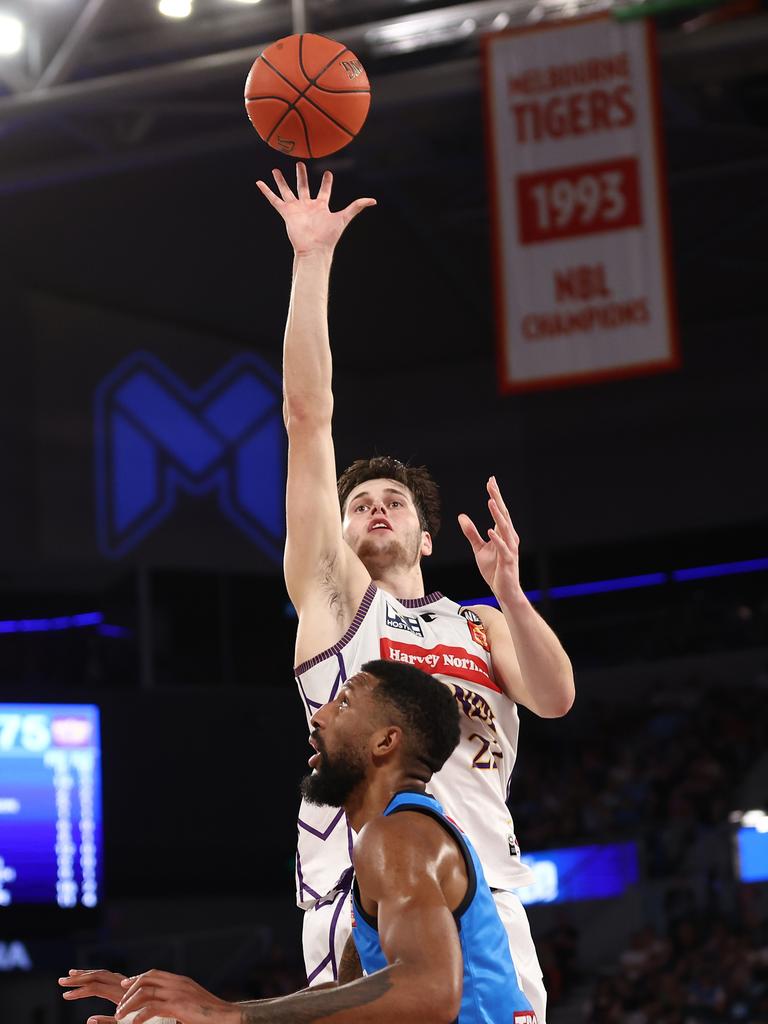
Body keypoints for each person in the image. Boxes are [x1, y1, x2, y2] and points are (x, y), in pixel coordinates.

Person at [255, 163, 575, 1022]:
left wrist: (512, 593)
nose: (374, 507)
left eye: (394, 500)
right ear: (342, 536)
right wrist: (312, 259)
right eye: (358, 503)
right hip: (364, 891)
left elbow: (553, 699)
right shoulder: (333, 603)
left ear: (427, 537)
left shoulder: (476, 623)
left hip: (486, 889)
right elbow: (306, 416)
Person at [61, 660, 538, 1024]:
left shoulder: (398, 838)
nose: (320, 716)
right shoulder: (402, 835)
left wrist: (229, 1016)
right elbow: (339, 995)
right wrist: (201, 1011)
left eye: (345, 702)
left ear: (385, 742)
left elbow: (432, 989)